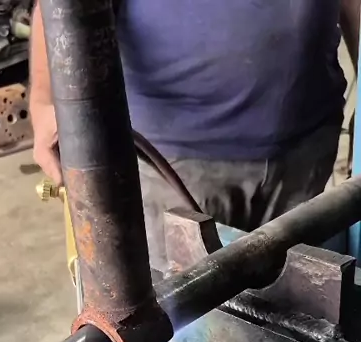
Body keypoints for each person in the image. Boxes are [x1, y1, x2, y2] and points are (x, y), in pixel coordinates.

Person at [29, 0, 360, 272]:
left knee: (297, 303)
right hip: (171, 164)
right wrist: (45, 100)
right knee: (181, 308)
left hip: (306, 150)